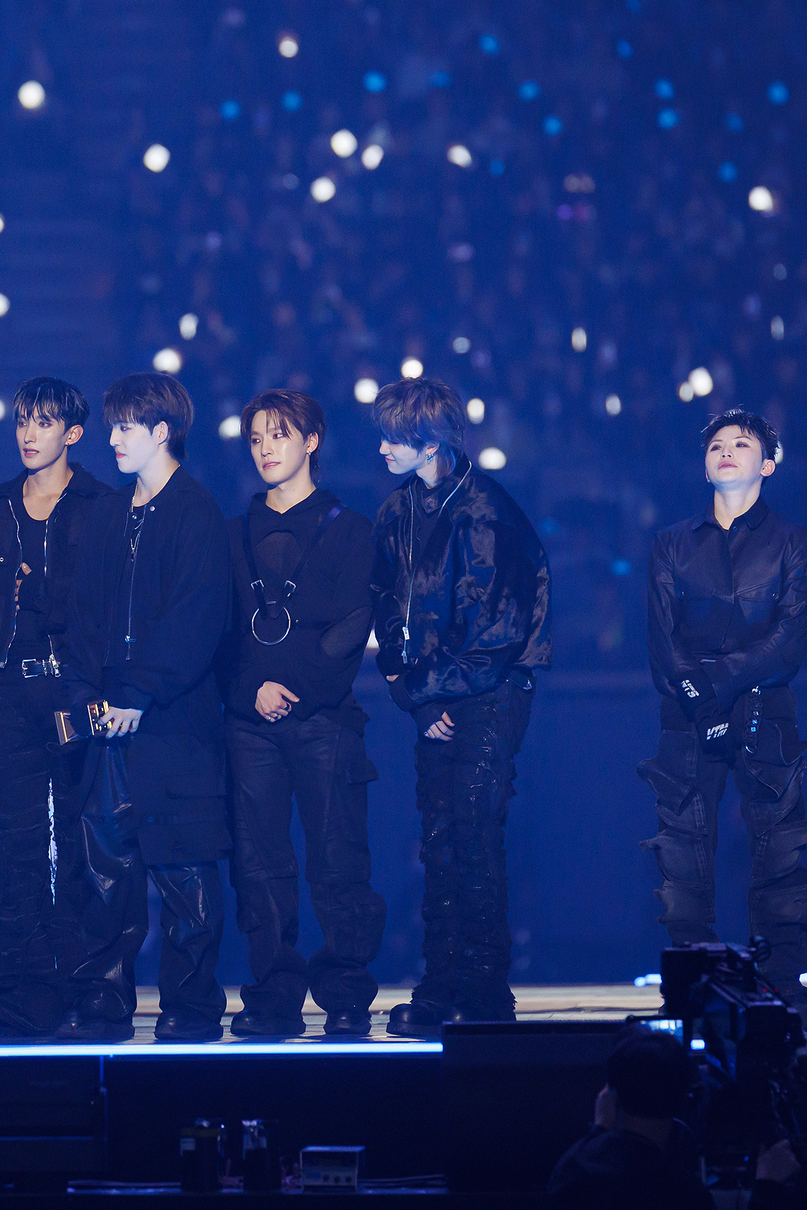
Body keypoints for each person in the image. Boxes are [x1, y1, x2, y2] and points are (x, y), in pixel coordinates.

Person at [369, 377, 549, 1039]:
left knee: (473, 833)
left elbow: (498, 632)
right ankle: (443, 981)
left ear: (430, 437)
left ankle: (483, 985)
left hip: (491, 694)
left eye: (395, 435)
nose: (383, 447)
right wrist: (413, 695)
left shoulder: (486, 512)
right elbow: (386, 609)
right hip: (433, 697)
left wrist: (427, 690)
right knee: (439, 839)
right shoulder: (396, 513)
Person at [58, 372, 232, 1043]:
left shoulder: (197, 511)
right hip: (109, 723)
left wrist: (139, 692)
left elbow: (196, 617)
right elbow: (84, 615)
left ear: (162, 430)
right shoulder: (108, 512)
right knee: (104, 872)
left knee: (185, 868)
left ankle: (190, 1008)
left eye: (125, 427)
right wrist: (91, 696)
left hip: (174, 726)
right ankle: (102, 1002)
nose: (113, 439)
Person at [643, 411, 807, 1028]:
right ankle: (691, 993)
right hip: (686, 719)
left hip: (763, 715)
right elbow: (661, 643)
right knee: (685, 858)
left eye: (741, 445)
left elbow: (787, 643)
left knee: (778, 856)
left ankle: (780, 997)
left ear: (768, 465)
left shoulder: (793, 542)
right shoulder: (670, 543)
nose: (726, 452)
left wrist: (715, 688)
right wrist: (701, 701)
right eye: (716, 445)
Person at [0, 377, 108, 1039]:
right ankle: (20, 999)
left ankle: (83, 991)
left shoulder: (103, 508)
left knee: (79, 843)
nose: (29, 432)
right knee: (11, 849)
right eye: (22, 421)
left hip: (78, 692)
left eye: (44, 421)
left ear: (72, 431)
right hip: (6, 693)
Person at [221, 390, 384, 1039]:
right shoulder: (234, 532)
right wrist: (250, 688)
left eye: (279, 434)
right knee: (259, 866)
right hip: (249, 722)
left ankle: (345, 993)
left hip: (324, 718)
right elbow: (220, 628)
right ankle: (273, 996)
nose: (265, 448)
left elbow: (353, 620)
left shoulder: (349, 527)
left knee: (338, 861)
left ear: (312, 440)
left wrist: (292, 684)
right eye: (255, 437)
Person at [548, 1025, 800, 1208]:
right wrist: (768, 1187)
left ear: (611, 1097)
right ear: (684, 1098)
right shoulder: (682, 1194)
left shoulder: (572, 1169)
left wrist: (600, 1132)